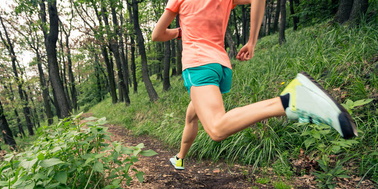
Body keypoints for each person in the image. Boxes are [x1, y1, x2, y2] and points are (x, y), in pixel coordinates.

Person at [152, 0, 357, 170]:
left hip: (198, 65)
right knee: (192, 115)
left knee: (215, 128)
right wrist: (252, 42)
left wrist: (180, 32)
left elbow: (157, 35)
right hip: (220, 66)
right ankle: (180, 158)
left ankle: (290, 101)